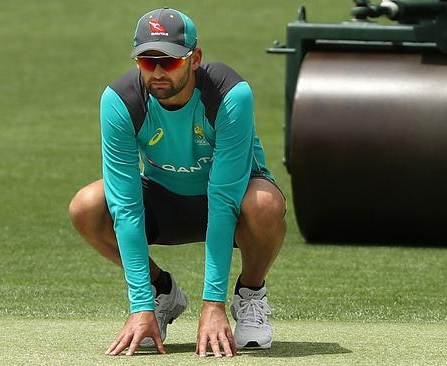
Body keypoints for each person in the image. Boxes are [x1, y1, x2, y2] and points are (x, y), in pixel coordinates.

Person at [68, 7, 286, 358]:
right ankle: (161, 293)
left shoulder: (230, 95)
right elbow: (125, 206)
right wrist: (140, 304)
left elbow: (225, 197)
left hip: (233, 201)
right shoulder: (120, 101)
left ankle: (250, 293)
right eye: (146, 61)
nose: (156, 73)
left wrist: (211, 304)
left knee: (265, 205)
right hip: (165, 199)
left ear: (194, 58)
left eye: (168, 62)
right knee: (86, 206)